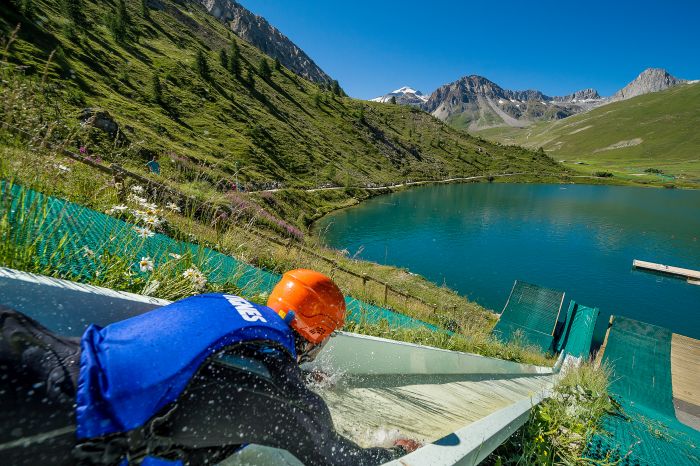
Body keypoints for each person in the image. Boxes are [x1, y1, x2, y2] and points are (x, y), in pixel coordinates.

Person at [0, 269, 420, 466]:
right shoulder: (283, 398)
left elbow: (199, 356)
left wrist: (297, 377)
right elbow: (332, 457)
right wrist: (387, 453)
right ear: (316, 333)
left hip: (30, 342)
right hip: (55, 420)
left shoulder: (220, 305)